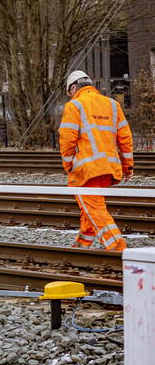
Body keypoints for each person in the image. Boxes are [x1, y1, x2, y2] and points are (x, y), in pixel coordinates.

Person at [60, 70, 133, 251]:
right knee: (91, 207)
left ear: (74, 87)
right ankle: (82, 246)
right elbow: (125, 139)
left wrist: (68, 166)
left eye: (70, 92)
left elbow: (67, 140)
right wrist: (128, 167)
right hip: (108, 169)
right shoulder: (113, 105)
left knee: (95, 210)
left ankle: (119, 250)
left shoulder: (74, 106)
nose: (70, 96)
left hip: (86, 171)